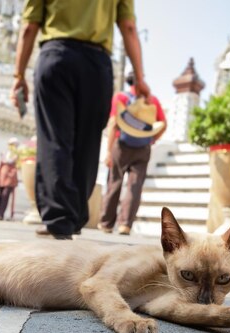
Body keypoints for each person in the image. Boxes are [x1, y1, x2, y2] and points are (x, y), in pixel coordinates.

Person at [11, 0, 149, 240]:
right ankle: (73, 216)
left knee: (55, 138)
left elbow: (29, 27)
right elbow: (128, 27)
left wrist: (19, 75)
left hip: (56, 57)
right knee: (88, 141)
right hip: (96, 65)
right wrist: (139, 77)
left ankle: (59, 218)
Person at [98, 72, 167, 235]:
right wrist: (151, 139)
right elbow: (163, 124)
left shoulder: (121, 97)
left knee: (114, 183)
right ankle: (125, 225)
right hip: (143, 148)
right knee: (135, 187)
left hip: (121, 145)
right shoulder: (153, 101)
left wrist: (109, 151)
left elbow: (114, 123)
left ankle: (106, 224)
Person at [0, 137, 20, 220]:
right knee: (0, 196)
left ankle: (1, 214)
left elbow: (16, 165)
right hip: (2, 177)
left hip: (10, 178)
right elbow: (0, 165)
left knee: (5, 195)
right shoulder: (5, 154)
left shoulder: (17, 155)